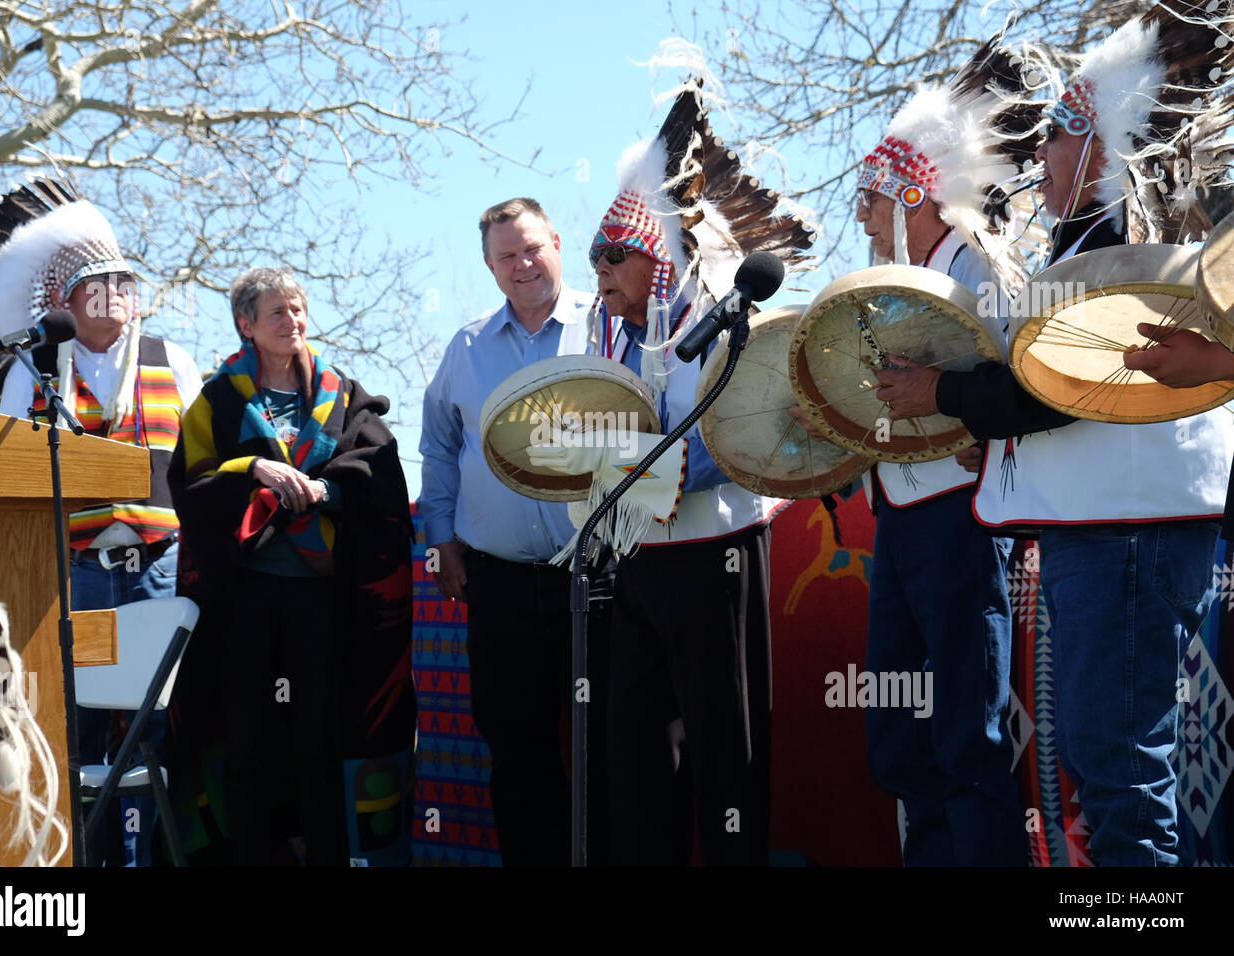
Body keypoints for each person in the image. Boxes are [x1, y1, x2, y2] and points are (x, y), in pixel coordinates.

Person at [873, 2, 1234, 865]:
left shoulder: (1132, 249)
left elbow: (1064, 385)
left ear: (1104, 148)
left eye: (1058, 137)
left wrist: (944, 390)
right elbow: (1062, 390)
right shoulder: (1091, 246)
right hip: (1109, 527)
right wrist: (987, 437)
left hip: (1131, 529)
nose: (1038, 154)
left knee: (1117, 765)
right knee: (1107, 761)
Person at [533, 77, 817, 866]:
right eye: (593, 258)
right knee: (634, 759)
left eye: (612, 255)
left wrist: (614, 463)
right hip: (630, 567)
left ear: (656, 256)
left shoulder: (718, 324)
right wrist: (596, 459)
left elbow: (730, 444)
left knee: (725, 752)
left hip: (714, 559)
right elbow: (562, 443)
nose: (598, 271)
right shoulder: (603, 337)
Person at [833, 40, 1035, 866]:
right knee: (899, 740)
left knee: (967, 735)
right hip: (905, 522)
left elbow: (1018, 395)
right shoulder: (897, 277)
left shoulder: (982, 272)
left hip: (965, 522)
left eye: (871, 197)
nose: (861, 215)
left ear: (914, 193)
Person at [0, 190, 202, 867]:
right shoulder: (34, 368)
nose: (113, 293)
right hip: (70, 571)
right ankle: (85, 860)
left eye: (123, 283)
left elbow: (201, 468)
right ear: (66, 302)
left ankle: (154, 858)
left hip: (156, 565)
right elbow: (10, 464)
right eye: (96, 283)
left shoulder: (175, 360)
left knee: (153, 725)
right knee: (74, 728)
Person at [168, 267, 413, 866]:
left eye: (299, 308)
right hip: (244, 600)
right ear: (246, 325)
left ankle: (328, 855)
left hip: (323, 598)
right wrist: (251, 470)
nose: (292, 320)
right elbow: (190, 482)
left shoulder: (343, 393)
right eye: (277, 311)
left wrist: (325, 491)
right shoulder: (216, 401)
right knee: (247, 735)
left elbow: (380, 469)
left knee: (318, 734)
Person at [416, 198, 611, 866]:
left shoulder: (608, 326)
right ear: (490, 267)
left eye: (532, 247)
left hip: (601, 578)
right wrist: (440, 539)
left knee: (608, 745)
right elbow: (439, 446)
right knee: (517, 752)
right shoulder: (466, 348)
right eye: (507, 255)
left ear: (557, 241)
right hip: (496, 584)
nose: (522, 264)